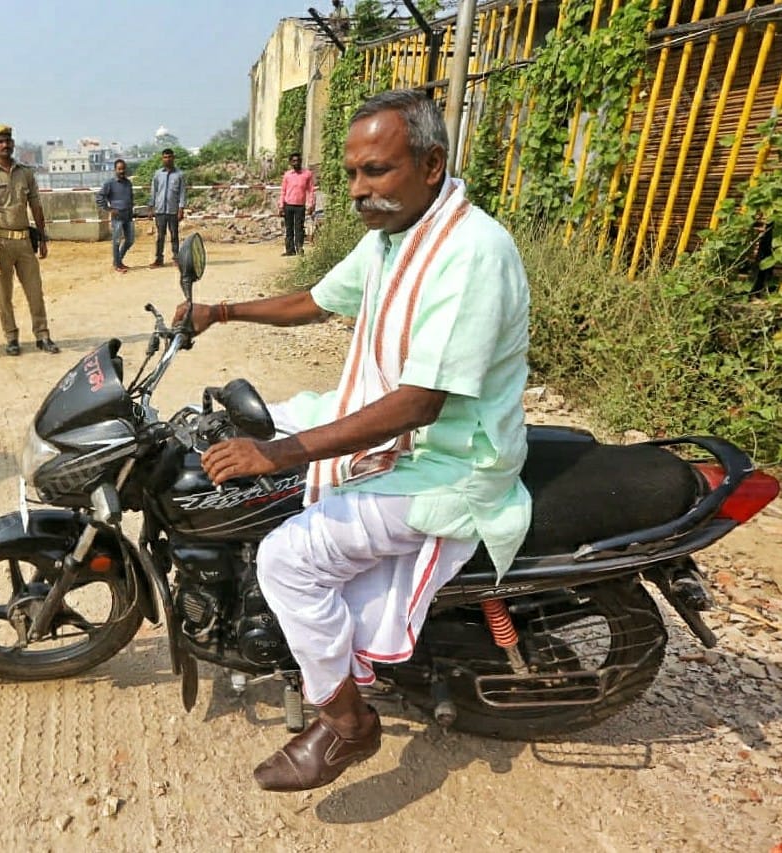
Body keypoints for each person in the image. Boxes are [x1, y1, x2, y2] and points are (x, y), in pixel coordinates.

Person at [176, 89, 531, 792]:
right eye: (351, 175)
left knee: (287, 558)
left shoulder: (469, 254)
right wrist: (219, 310)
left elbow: (420, 401)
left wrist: (277, 453)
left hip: (447, 462)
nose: (360, 190)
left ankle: (346, 723)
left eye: (377, 171)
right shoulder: (394, 236)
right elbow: (315, 299)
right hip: (393, 423)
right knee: (244, 418)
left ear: (431, 164)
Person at [0, 124, 59, 356]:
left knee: (35, 291)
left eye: (8, 140)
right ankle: (11, 338)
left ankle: (42, 335)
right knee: (3, 294)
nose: (5, 145)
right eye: (0, 141)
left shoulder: (25, 173)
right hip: (0, 242)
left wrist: (42, 237)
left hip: (24, 242)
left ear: (13, 143)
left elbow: (36, 205)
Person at [95, 159, 135, 273]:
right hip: (117, 217)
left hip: (128, 215)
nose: (122, 171)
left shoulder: (128, 183)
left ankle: (118, 260)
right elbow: (99, 197)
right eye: (119, 169)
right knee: (116, 241)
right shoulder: (110, 183)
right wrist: (109, 209)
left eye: (123, 168)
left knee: (130, 240)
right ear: (115, 170)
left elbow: (131, 196)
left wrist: (131, 206)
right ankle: (117, 264)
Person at [149, 148, 187, 268]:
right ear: (162, 158)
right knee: (160, 236)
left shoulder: (179, 175)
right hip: (160, 210)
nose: (167, 159)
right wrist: (151, 207)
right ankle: (159, 259)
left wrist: (181, 209)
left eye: (169, 157)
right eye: (165, 157)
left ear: (173, 158)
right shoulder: (158, 174)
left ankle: (176, 258)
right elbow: (153, 191)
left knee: (174, 235)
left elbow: (182, 193)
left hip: (173, 210)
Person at [278, 152, 316, 257]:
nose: (296, 163)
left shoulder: (307, 174)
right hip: (288, 205)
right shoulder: (287, 176)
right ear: (290, 162)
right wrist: (281, 206)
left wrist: (311, 204)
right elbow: (283, 191)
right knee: (289, 228)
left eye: (298, 161)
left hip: (300, 206)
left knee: (299, 228)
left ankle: (299, 248)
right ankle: (290, 250)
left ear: (301, 161)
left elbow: (311, 190)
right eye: (294, 161)